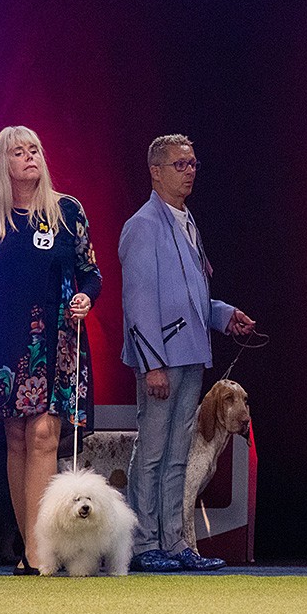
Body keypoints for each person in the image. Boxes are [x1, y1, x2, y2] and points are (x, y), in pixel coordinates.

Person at [0, 125, 101, 574]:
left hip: (55, 339)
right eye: (19, 152)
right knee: (16, 438)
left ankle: (38, 552)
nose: (30, 156)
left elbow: (91, 272)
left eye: (35, 149)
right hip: (5, 342)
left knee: (42, 436)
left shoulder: (67, 211)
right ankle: (30, 545)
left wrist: (86, 297)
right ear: (3, 164)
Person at [119, 134, 255, 572]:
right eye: (180, 164)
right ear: (156, 171)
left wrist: (223, 314)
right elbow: (138, 300)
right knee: (154, 452)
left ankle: (175, 544)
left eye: (193, 163)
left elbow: (190, 294)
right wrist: (152, 363)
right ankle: (143, 545)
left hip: (192, 353)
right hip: (163, 358)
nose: (190, 170)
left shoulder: (187, 221)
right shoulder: (143, 225)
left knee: (179, 452)